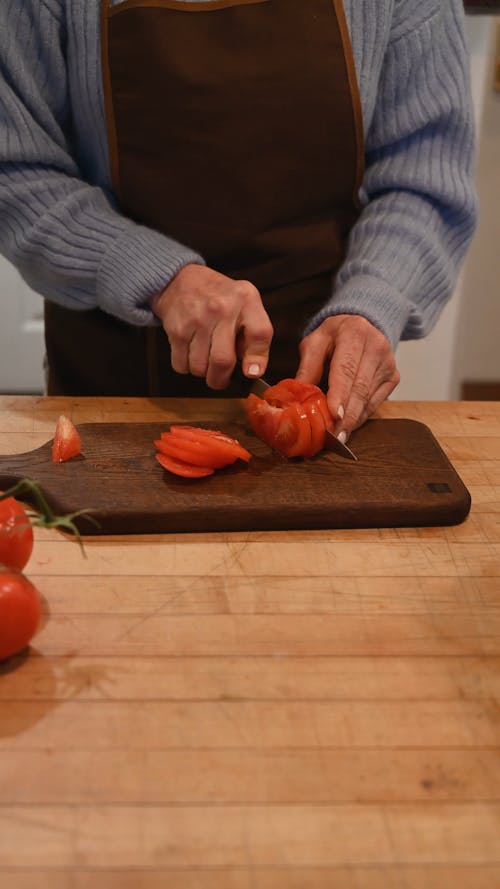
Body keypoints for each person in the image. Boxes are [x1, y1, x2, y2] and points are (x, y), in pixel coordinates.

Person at [0, 0, 477, 444]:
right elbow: (15, 169)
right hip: (112, 384)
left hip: (323, 390)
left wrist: (377, 297)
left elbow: (422, 178)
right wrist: (157, 278)